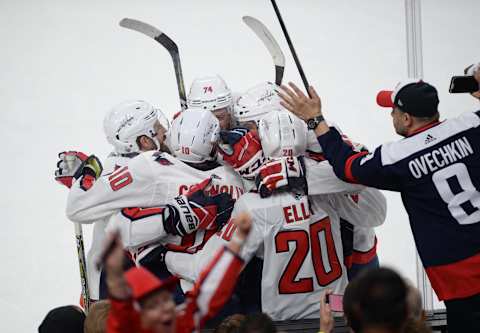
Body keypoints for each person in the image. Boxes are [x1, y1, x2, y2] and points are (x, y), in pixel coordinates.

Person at [279, 80, 480, 332]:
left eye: (394, 110)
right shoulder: (471, 125)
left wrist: (315, 120)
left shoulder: (397, 157)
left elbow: (346, 166)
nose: (391, 114)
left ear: (406, 118)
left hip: (457, 272)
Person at [165, 109, 386, 320]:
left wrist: (165, 256)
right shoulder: (328, 187)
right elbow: (373, 208)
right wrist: (303, 173)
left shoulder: (252, 205)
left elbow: (210, 270)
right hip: (334, 311)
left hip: (283, 319)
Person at [54, 99, 170, 300]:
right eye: (157, 128)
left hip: (118, 281)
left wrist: (84, 180)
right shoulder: (140, 173)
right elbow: (76, 209)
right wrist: (84, 178)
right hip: (115, 289)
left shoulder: (120, 161)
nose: (164, 131)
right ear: (144, 141)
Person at [105, 212, 253, 333]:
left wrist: (238, 242)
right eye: (153, 305)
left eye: (165, 299)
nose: (165, 308)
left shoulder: (183, 321)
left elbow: (212, 291)